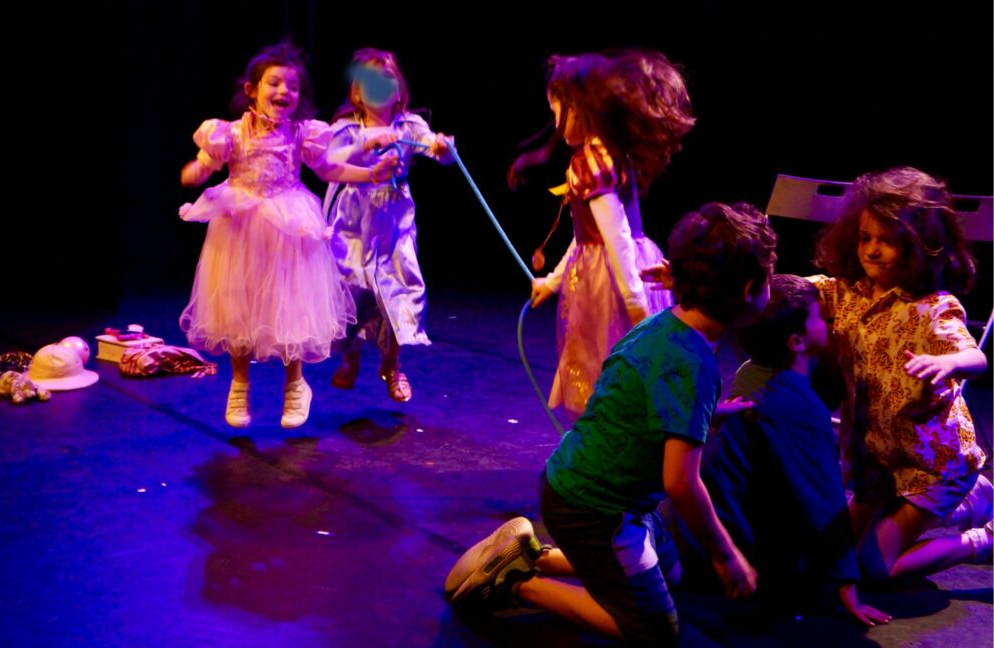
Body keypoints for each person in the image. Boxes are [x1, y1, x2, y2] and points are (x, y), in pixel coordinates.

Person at [446, 202, 776, 645]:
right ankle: (514, 582)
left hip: (585, 492)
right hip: (596, 512)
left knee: (668, 567)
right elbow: (681, 484)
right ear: (751, 288)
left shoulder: (664, 326)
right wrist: (727, 555)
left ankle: (532, 557)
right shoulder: (695, 362)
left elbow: (649, 403)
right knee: (654, 631)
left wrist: (708, 414)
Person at [178, 41, 396, 429]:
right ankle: (240, 385)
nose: (283, 92)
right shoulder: (228, 133)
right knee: (237, 308)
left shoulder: (301, 134)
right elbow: (206, 163)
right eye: (274, 83)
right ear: (252, 90)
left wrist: (369, 174)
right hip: (241, 230)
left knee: (290, 305)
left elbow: (329, 170)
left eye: (291, 87)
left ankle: (296, 386)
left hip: (289, 225)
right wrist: (196, 171)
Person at [810, 166, 991, 582]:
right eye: (865, 237)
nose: (872, 250)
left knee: (871, 570)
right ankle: (971, 501)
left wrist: (949, 363)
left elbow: (973, 357)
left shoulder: (933, 308)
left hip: (933, 462)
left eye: (888, 241)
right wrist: (701, 283)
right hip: (877, 458)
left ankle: (984, 539)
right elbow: (784, 290)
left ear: (920, 245)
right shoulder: (846, 294)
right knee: (834, 555)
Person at [677, 274, 891, 626]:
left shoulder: (750, 372)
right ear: (796, 342)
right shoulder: (801, 410)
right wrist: (846, 585)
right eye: (821, 317)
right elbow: (824, 499)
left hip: (699, 540)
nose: (830, 323)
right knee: (867, 563)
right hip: (733, 560)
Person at [526, 50, 695, 418]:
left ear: (578, 107)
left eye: (556, 110)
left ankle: (605, 442)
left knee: (606, 362)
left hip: (610, 281)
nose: (555, 122)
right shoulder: (607, 154)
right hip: (621, 266)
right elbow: (586, 236)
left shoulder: (591, 162)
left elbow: (614, 239)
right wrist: (552, 282)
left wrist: (637, 308)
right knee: (616, 363)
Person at [324, 48, 454, 403]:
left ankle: (391, 364)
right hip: (354, 223)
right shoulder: (347, 129)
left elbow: (437, 152)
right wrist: (366, 142)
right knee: (350, 291)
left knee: (400, 291)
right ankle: (350, 357)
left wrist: (443, 148)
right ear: (357, 92)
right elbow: (329, 160)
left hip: (394, 225)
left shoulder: (409, 126)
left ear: (399, 90)